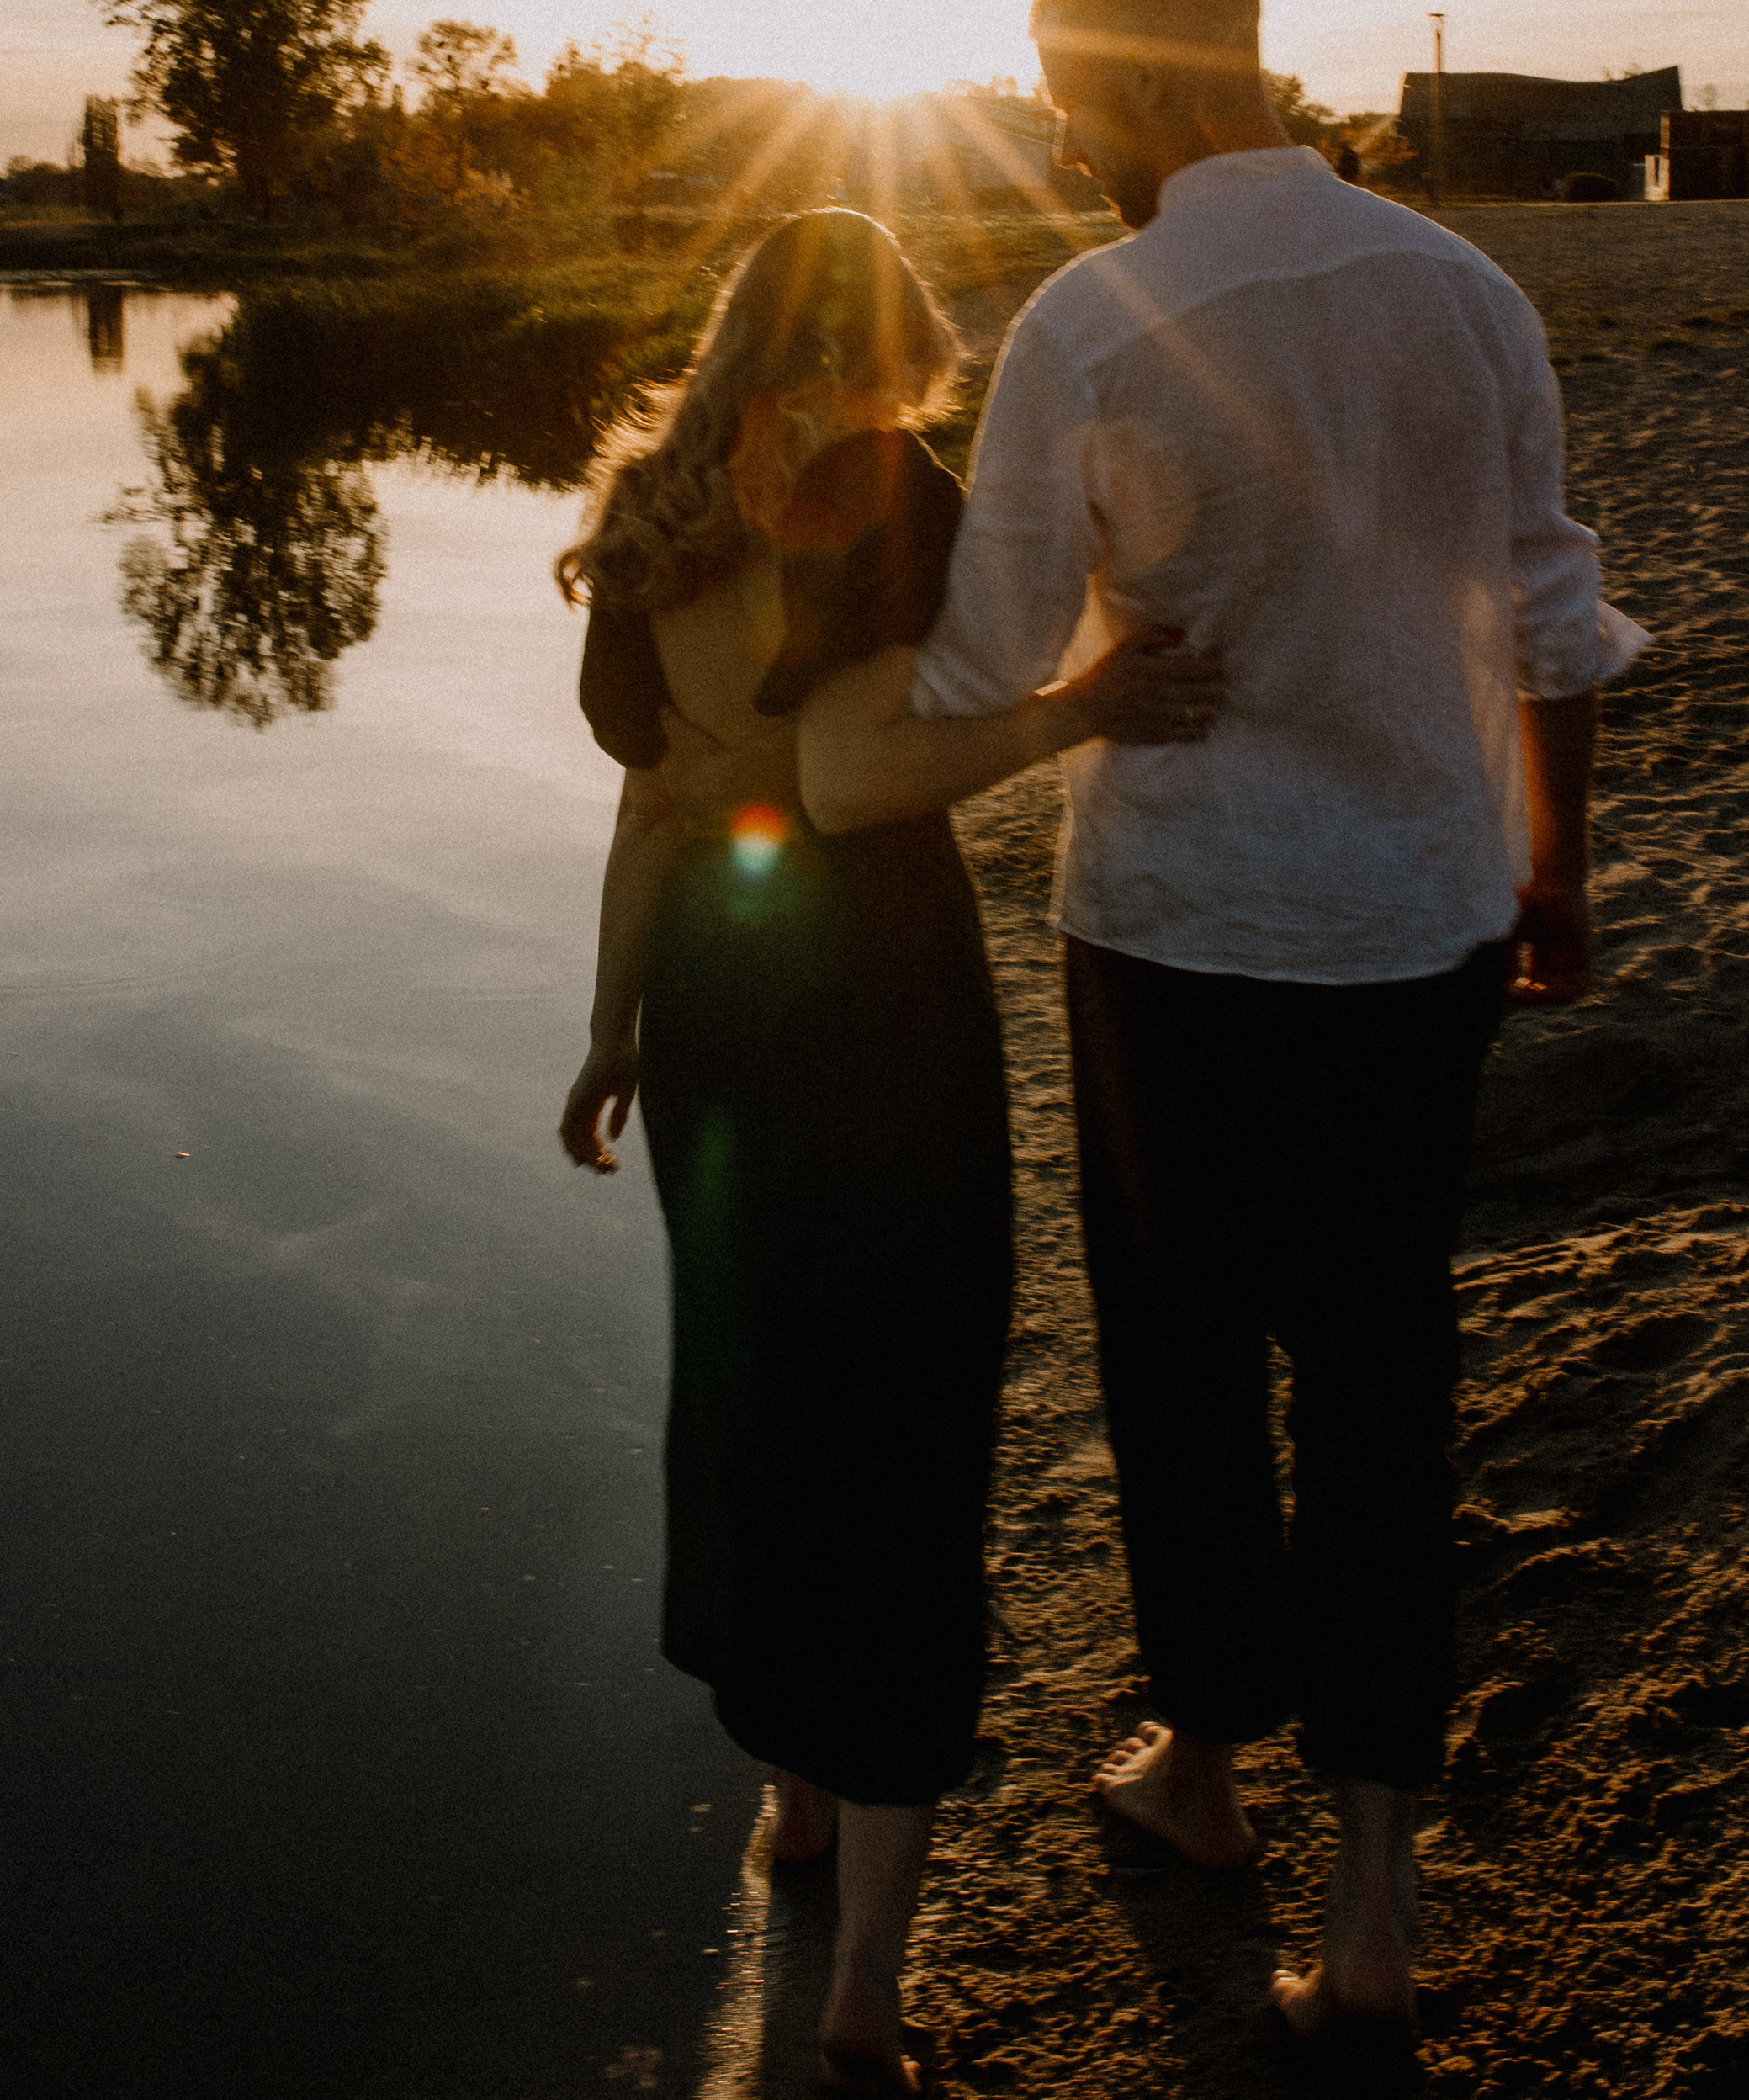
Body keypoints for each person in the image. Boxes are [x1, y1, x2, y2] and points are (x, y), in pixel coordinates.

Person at [798, 0, 1646, 2064]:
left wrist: (777, 648)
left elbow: (991, 671)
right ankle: (1372, 1897)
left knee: (1180, 1367)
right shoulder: (1465, 292)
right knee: (1378, 1367)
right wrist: (1555, 869)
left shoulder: (1088, 325)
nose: (1056, 133)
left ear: (1157, 82)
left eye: (1064, 91)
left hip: (1178, 935)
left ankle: (1199, 1776)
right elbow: (1550, 616)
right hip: (1422, 922)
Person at [555, 209, 1218, 2097]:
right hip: (865, 1014)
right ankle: (855, 2001)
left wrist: (608, 1033)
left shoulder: (647, 514)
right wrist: (1078, 711)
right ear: (896, 336)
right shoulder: (879, 484)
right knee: (904, 1440)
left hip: (707, 1015)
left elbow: (658, 815)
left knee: (770, 1410)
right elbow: (844, 784)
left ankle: (794, 1805)